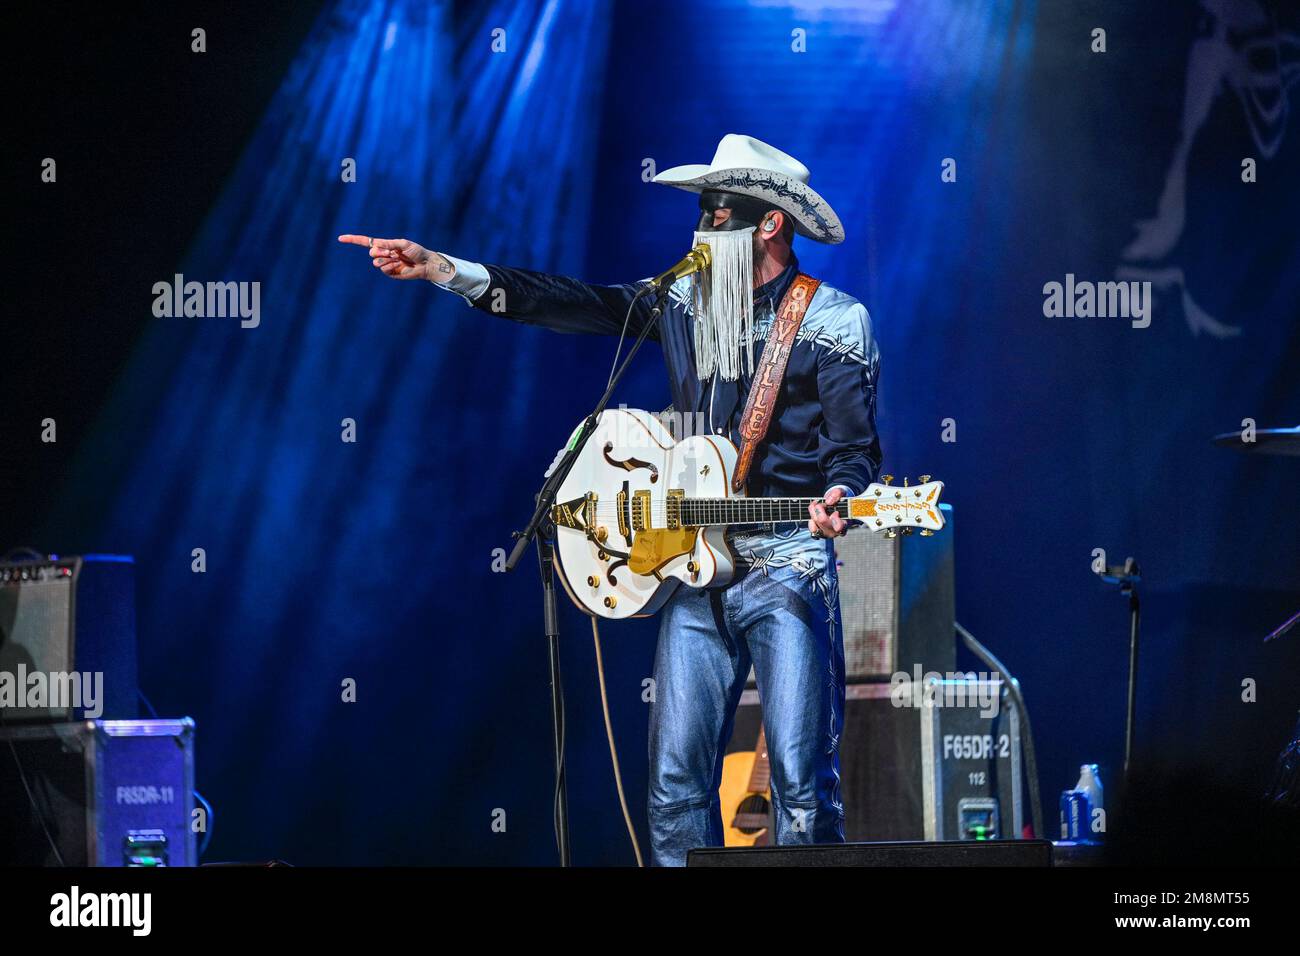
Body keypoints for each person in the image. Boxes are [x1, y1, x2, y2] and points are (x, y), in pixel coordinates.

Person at [340, 134, 882, 866]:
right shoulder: (684, 301)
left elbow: (853, 452)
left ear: (769, 223)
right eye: (700, 212)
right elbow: (578, 303)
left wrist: (842, 496)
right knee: (674, 784)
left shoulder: (833, 320)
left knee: (799, 782)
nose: (699, 230)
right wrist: (446, 270)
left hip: (785, 558)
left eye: (715, 215)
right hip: (691, 561)